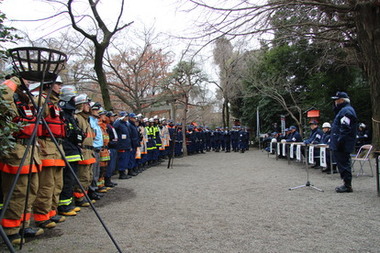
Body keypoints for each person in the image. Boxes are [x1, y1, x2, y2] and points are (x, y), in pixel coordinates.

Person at [0, 76, 43, 244]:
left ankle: (23, 226)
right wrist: (14, 80)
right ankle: (10, 231)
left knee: (31, 191)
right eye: (24, 79)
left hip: (31, 150)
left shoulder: (26, 101)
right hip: (16, 151)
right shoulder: (8, 100)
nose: (27, 82)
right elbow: (2, 95)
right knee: (17, 192)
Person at [32, 77, 66, 229]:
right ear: (48, 85)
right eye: (58, 84)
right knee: (46, 185)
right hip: (46, 147)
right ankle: (41, 217)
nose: (60, 87)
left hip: (58, 148)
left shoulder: (55, 104)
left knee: (57, 184)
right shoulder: (41, 100)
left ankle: (52, 212)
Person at [58, 85, 84, 216]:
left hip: (73, 151)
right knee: (67, 180)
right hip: (68, 151)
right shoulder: (64, 114)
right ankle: (64, 206)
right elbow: (70, 134)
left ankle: (68, 203)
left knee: (71, 179)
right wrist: (77, 135)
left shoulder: (70, 114)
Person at [330, 91, 358, 193]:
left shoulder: (346, 111)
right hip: (341, 142)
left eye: (336, 100)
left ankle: (347, 185)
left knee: (344, 163)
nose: (335, 102)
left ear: (341, 100)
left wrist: (339, 141)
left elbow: (345, 128)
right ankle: (346, 183)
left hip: (342, 143)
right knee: (342, 163)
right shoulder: (343, 110)